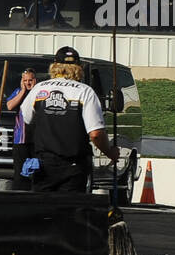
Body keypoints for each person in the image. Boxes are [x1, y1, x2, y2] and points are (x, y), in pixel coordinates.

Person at [19, 47, 119, 192]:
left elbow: (26, 118)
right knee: (70, 210)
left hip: (43, 165)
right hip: (73, 166)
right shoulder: (85, 91)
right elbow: (95, 134)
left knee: (42, 211)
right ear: (78, 68)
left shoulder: (39, 89)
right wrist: (110, 152)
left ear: (54, 66)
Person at [4, 67, 37, 190]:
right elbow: (10, 106)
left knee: (36, 171)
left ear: (35, 80)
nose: (28, 83)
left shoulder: (40, 92)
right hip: (21, 139)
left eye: (30, 80)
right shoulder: (18, 91)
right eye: (25, 80)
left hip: (37, 140)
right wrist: (23, 91)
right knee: (20, 173)